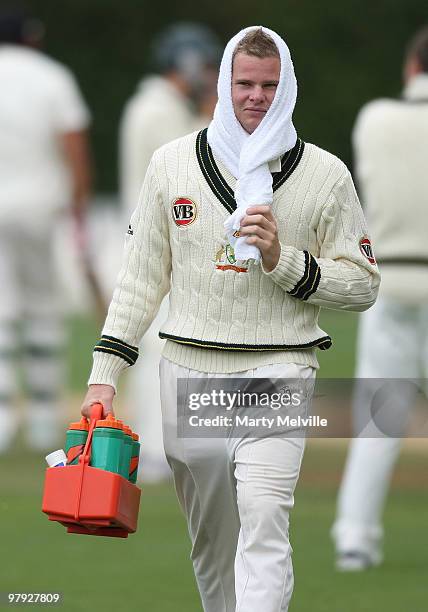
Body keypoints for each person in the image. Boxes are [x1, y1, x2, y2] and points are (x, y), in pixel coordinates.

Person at [82, 26, 379, 612]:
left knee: (265, 520)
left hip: (279, 367)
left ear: (286, 87)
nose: (256, 97)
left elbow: (364, 286)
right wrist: (103, 376)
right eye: (244, 83)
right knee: (215, 542)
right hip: (189, 369)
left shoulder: (325, 175)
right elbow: (140, 281)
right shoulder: (170, 165)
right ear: (223, 83)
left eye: (270, 85)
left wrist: (281, 260)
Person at [331, 26, 428, 572]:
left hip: (388, 280)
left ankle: (355, 538)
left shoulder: (375, 118)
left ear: (412, 68)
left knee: (380, 419)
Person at [119, 23, 221, 482]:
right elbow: (189, 167)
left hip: (157, 243)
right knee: (160, 348)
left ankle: (165, 448)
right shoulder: (156, 110)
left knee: (164, 347)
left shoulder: (157, 107)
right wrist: (210, 117)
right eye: (203, 65)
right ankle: (158, 452)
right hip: (155, 245)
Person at [0, 5, 92, 452]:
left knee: (1, 312)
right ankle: (40, 416)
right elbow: (73, 143)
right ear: (31, 38)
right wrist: (79, 204)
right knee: (41, 309)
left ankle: (2, 419)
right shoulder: (52, 76)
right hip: (39, 206)